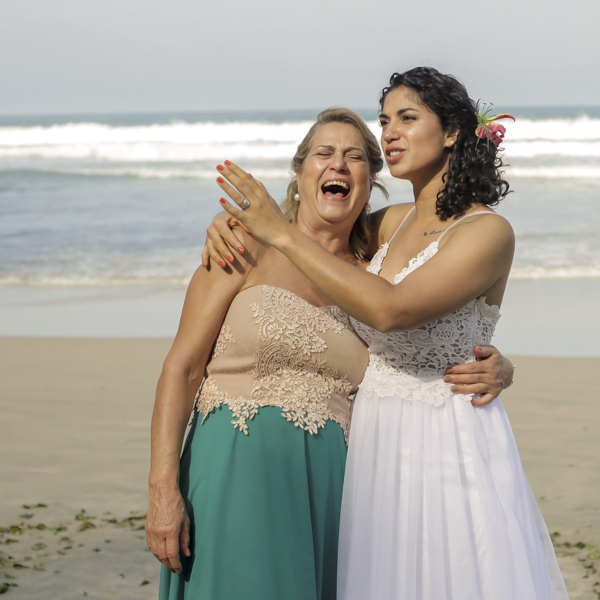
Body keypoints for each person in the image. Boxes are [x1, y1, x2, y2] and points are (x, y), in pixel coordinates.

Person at [213, 67, 569, 599]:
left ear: (452, 132)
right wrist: (236, 229)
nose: (390, 134)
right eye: (384, 121)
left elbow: (393, 310)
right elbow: (321, 230)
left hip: (446, 432)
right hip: (376, 433)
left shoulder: (487, 231)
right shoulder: (388, 223)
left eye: (407, 118)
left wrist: (502, 367)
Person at [147, 107, 515, 600]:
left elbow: (451, 249)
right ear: (300, 175)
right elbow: (183, 367)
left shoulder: (377, 262)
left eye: (356, 157)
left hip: (338, 487)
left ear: (370, 182)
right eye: (324, 153)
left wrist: (497, 361)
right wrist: (162, 490)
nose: (338, 165)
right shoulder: (243, 246)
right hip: (234, 465)